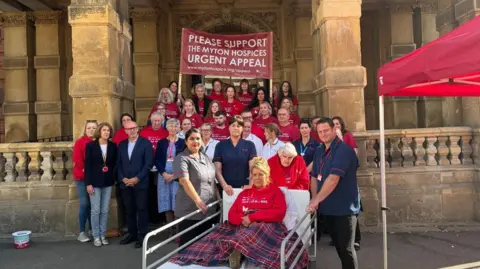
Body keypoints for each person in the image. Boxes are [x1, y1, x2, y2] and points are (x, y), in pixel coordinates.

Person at [169, 157, 308, 269]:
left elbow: (279, 213)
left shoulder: (275, 192)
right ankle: (237, 252)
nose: (258, 178)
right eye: (255, 175)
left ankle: (240, 252)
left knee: (251, 233)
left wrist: (252, 217)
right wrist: (244, 220)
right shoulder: (245, 193)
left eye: (261, 174)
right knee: (217, 237)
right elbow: (232, 214)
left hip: (266, 227)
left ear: (267, 175)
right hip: (241, 225)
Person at [307, 117, 360, 269]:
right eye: (319, 132)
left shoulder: (344, 150)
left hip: (344, 209)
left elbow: (333, 179)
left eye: (326, 131)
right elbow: (314, 177)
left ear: (334, 130)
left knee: (346, 250)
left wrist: (315, 200)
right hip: (327, 208)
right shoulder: (319, 150)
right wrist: (316, 199)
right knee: (338, 248)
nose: (323, 134)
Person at [173, 128, 217, 245]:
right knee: (188, 248)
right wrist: (198, 201)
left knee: (205, 246)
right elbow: (184, 180)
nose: (195, 141)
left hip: (208, 209)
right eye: (191, 139)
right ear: (186, 142)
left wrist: (219, 200)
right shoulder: (181, 158)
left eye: (198, 138)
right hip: (190, 211)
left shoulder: (206, 158)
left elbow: (212, 181)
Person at [117, 121, 154, 248]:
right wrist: (123, 178)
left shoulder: (146, 143)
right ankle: (132, 234)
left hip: (140, 183)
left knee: (142, 209)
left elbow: (148, 164)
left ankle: (142, 236)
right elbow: (118, 164)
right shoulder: (121, 145)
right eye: (129, 129)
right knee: (129, 210)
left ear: (138, 128)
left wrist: (137, 178)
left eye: (134, 128)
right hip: (125, 183)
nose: (132, 130)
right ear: (125, 131)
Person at [84, 122, 117, 247]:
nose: (106, 132)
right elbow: (87, 166)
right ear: (99, 131)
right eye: (104, 130)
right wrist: (88, 183)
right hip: (94, 182)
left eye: (108, 130)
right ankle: (96, 236)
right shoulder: (91, 146)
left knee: (104, 210)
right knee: (95, 210)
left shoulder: (113, 146)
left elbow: (114, 164)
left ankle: (103, 235)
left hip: (107, 182)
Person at [333, 115, 361, 250]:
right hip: (335, 178)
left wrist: (340, 139)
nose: (336, 126)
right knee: (339, 209)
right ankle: (340, 238)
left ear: (341, 125)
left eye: (337, 124)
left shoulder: (347, 136)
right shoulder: (330, 140)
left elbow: (353, 154)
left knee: (351, 210)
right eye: (333, 125)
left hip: (347, 178)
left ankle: (356, 239)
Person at [155, 119, 185, 233]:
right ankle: (170, 230)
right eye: (171, 126)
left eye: (175, 126)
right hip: (164, 176)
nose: (173, 128)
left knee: (177, 202)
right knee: (166, 202)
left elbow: (185, 159)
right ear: (167, 128)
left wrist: (175, 175)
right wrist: (164, 173)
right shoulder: (161, 142)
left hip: (178, 176)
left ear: (178, 128)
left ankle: (178, 231)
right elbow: (157, 160)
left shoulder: (182, 142)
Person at [214, 117, 257, 195]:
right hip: (226, 189)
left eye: (238, 126)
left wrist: (250, 185)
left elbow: (253, 168)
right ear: (229, 127)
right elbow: (217, 170)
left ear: (242, 128)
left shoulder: (250, 145)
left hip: (244, 188)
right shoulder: (220, 145)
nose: (236, 128)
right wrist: (225, 186)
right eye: (233, 125)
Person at [73, 120, 97, 242]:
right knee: (85, 204)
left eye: (94, 128)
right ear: (85, 129)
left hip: (96, 179)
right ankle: (82, 232)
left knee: (93, 205)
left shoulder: (99, 142)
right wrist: (88, 174)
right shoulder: (80, 142)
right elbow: (78, 160)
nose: (91, 130)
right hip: (82, 178)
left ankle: (92, 229)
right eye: (89, 128)